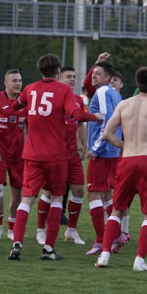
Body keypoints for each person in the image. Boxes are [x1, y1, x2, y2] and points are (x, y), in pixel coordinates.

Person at [9, 53, 99, 261]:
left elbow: (16, 105)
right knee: (57, 197)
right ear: (58, 71)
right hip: (56, 155)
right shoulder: (64, 90)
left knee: (27, 199)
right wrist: (96, 116)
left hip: (32, 154)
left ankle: (16, 244)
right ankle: (48, 249)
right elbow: (77, 115)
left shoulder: (30, 88)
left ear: (40, 70)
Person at [94, 67, 147, 271]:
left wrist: (125, 145)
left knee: (117, 210)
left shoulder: (124, 104)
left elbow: (106, 134)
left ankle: (104, 255)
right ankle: (139, 260)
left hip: (128, 160)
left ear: (136, 84)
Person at [84, 60, 122, 255]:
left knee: (92, 193)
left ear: (108, 77)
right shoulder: (116, 93)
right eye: (94, 73)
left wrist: (96, 148)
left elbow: (107, 121)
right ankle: (117, 235)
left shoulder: (102, 92)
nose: (94, 75)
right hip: (113, 151)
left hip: (103, 151)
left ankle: (101, 240)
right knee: (106, 194)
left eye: (98, 73)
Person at [0, 68, 26, 242]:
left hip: (19, 155)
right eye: (14, 80)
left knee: (18, 191)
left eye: (19, 80)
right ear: (6, 83)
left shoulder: (26, 100)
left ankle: (11, 227)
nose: (18, 83)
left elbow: (31, 128)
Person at [58, 66, 88, 245]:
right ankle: (42, 230)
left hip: (72, 153)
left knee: (78, 189)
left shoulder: (77, 100)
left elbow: (80, 124)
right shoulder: (54, 97)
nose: (72, 80)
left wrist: (83, 144)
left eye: (74, 77)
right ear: (59, 78)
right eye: (68, 76)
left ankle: (71, 230)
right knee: (51, 192)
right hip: (54, 153)